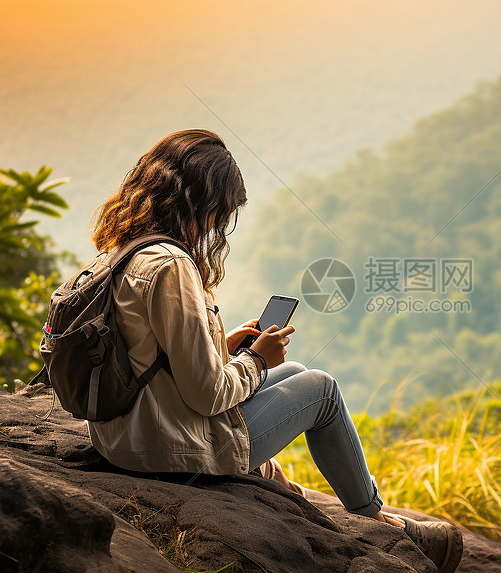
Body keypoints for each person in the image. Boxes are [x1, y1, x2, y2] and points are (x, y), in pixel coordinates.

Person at [85, 128, 463, 572]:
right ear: (201, 203)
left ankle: (277, 479)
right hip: (163, 447)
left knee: (296, 370)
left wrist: (225, 348)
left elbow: (145, 358)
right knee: (320, 389)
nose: (216, 225)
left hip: (123, 433)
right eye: (219, 212)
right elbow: (206, 395)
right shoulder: (172, 266)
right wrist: (258, 359)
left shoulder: (126, 252)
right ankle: (376, 520)